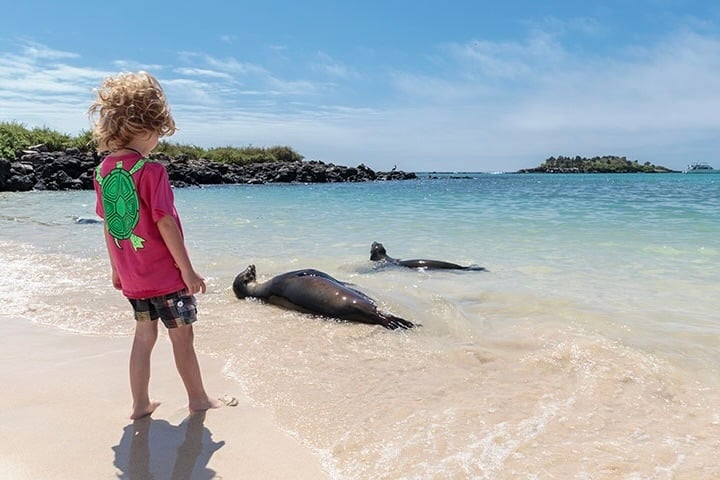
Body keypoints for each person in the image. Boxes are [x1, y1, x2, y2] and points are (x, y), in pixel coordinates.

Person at [89, 71, 222, 419]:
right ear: (147, 128)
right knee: (182, 339)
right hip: (167, 279)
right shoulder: (151, 171)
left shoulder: (103, 171)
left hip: (135, 280)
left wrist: (116, 269)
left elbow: (111, 225)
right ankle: (198, 399)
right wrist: (187, 270)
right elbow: (164, 222)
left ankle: (140, 404)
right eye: (158, 136)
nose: (156, 143)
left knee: (143, 338)